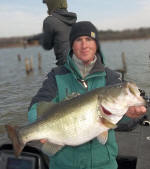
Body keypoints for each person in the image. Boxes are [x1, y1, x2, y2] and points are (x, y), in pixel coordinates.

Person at [28, 21, 146, 169]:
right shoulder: (56, 76)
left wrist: (130, 115)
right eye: (79, 40)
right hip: (64, 165)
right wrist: (40, 126)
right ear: (72, 45)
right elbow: (36, 107)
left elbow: (124, 122)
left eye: (89, 39)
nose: (84, 45)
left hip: (104, 164)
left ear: (96, 44)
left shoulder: (110, 77)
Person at [41, 0, 77, 66]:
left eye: (47, 5)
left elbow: (47, 46)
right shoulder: (73, 20)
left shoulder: (49, 21)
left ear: (52, 5)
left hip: (65, 66)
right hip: (79, 64)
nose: (47, 7)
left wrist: (42, 38)